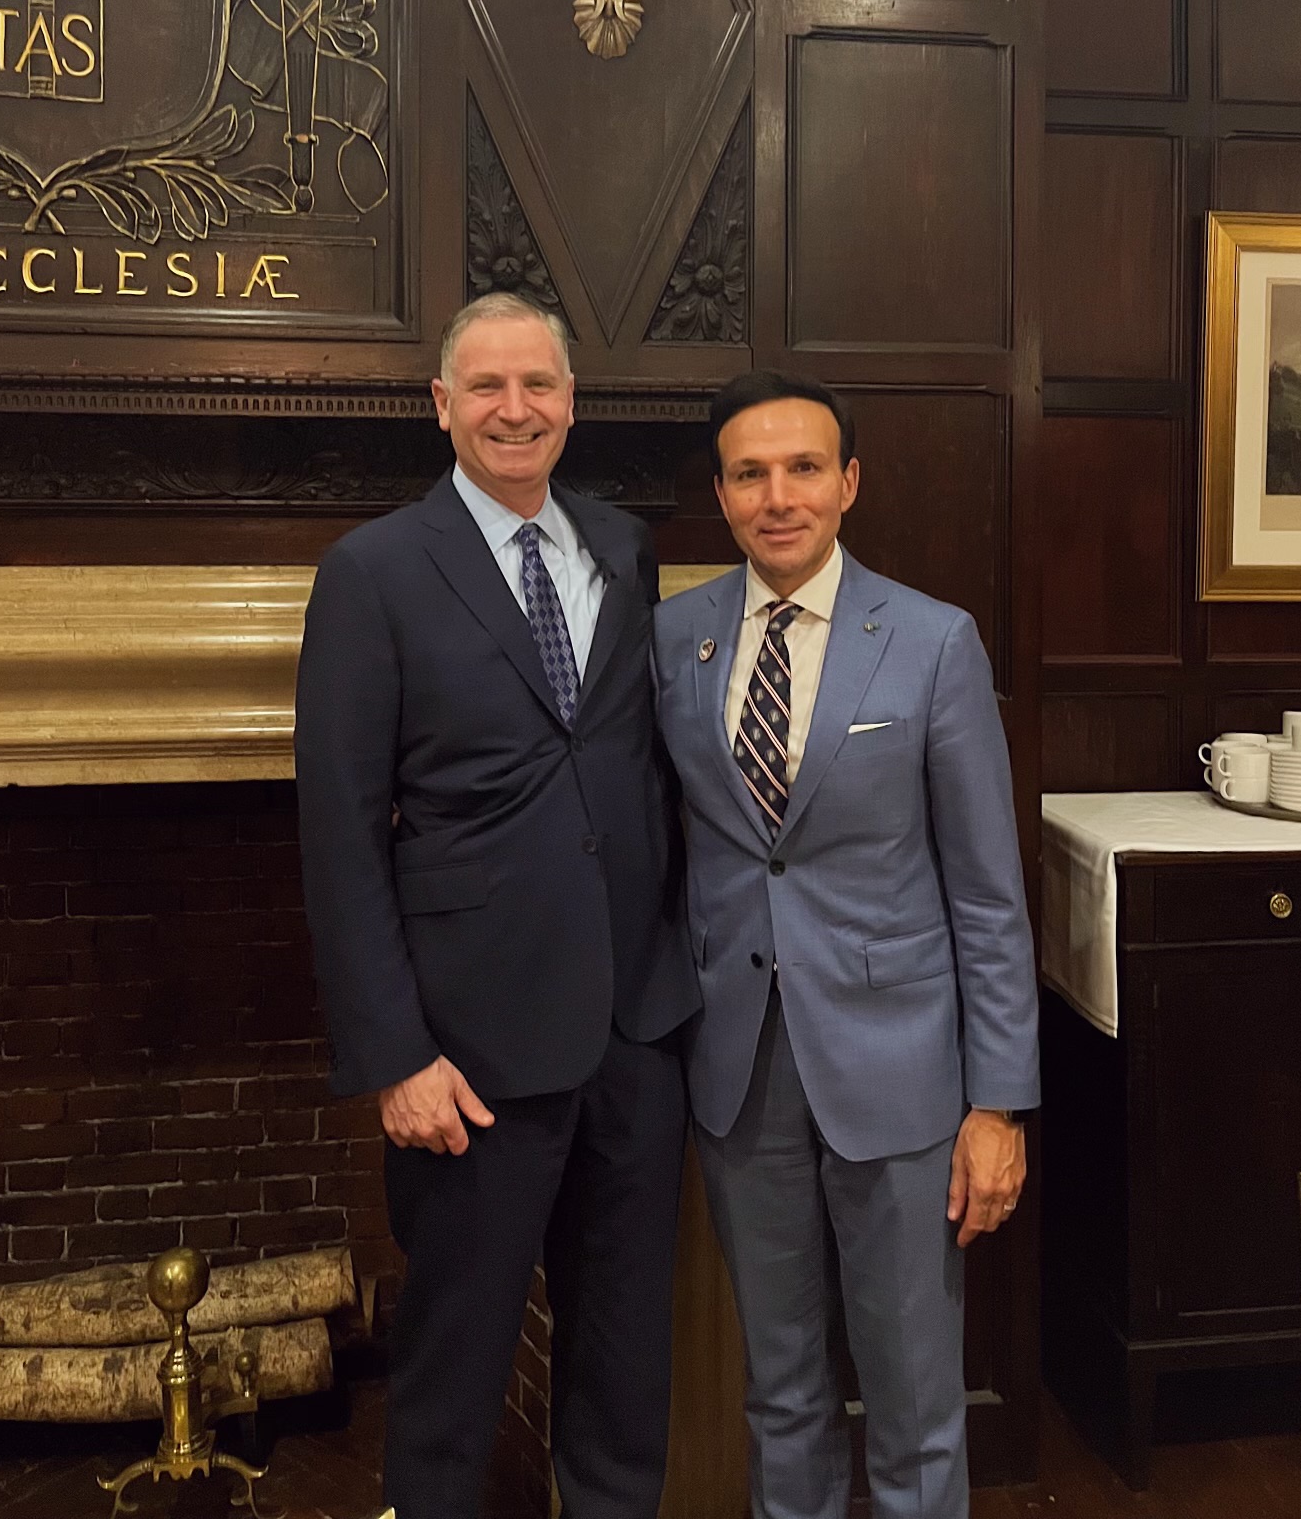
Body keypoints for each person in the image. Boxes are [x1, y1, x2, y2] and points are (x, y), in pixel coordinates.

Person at [295, 292, 698, 1519]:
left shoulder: (625, 550)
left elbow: (633, 777)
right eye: (486, 388)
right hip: (468, 1056)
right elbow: (340, 835)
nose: (514, 410)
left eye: (538, 386)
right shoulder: (371, 573)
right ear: (442, 407)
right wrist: (395, 1056)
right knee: (454, 1371)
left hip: (635, 1032)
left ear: (571, 403)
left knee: (626, 1368)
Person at [653, 369, 1039, 1519]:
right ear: (719, 493)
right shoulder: (676, 640)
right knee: (780, 1393)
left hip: (903, 1078)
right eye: (750, 473)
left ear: (849, 482)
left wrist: (999, 1105)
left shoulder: (931, 642)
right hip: (739, 1071)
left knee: (916, 1399)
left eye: (804, 467)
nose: (779, 495)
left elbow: (987, 892)